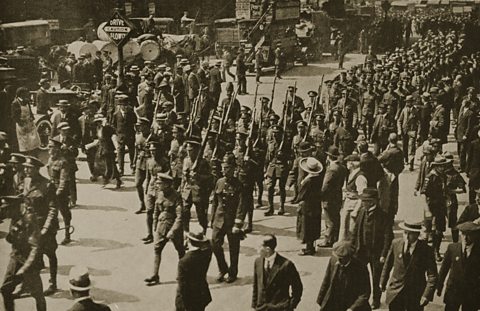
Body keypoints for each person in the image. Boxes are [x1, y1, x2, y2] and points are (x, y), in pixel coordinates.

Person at [380, 221, 438, 311]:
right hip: (396, 292)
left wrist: (426, 295)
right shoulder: (396, 244)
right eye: (405, 233)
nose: (406, 236)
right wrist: (382, 282)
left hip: (415, 294)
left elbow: (432, 275)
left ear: (417, 234)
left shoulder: (426, 250)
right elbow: (387, 265)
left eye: (410, 234)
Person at [1, 200, 46, 311]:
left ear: (15, 208)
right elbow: (11, 238)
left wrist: (25, 267)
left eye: (7, 209)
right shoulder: (15, 218)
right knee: (5, 289)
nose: (5, 213)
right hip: (16, 258)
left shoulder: (29, 219)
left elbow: (35, 247)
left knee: (37, 295)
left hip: (29, 263)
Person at [352, 188, 390, 309]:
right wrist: (352, 247)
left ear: (372, 202)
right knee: (360, 276)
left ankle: (376, 300)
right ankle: (361, 299)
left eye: (365, 201)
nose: (362, 203)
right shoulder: (362, 212)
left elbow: (388, 237)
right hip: (361, 250)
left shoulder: (383, 216)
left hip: (376, 253)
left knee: (376, 278)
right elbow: (355, 231)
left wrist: (384, 254)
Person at [144, 173, 185, 286]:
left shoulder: (176, 196)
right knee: (157, 249)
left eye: (160, 183)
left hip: (173, 228)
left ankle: (182, 274)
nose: (157, 184)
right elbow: (157, 210)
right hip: (161, 226)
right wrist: (155, 225)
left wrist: (173, 230)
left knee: (180, 250)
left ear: (167, 184)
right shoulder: (159, 194)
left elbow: (180, 216)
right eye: (157, 182)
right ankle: (154, 275)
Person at [211, 153, 245, 283]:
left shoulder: (238, 185)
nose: (224, 171)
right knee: (214, 244)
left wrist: (238, 224)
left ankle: (232, 272)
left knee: (233, 248)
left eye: (227, 168)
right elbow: (215, 201)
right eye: (223, 168)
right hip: (218, 220)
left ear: (234, 169)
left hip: (231, 221)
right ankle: (223, 268)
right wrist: (212, 218)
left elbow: (242, 206)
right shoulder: (219, 182)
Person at [436, 221, 480, 311]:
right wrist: (439, 286)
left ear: (475, 235)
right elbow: (444, 269)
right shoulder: (453, 248)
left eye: (469, 235)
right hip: (453, 292)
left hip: (471, 293)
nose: (465, 238)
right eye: (463, 234)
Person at [252, 234, 303, 311]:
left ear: (267, 249)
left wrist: (290, 306)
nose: (256, 249)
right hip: (261, 307)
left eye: (259, 247)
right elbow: (256, 284)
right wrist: (254, 304)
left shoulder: (286, 265)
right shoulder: (258, 262)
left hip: (279, 308)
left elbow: (297, 288)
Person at [316, 240, 371, 311]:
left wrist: (352, 309)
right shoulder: (333, 260)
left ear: (348, 258)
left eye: (341, 259)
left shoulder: (360, 268)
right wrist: (320, 300)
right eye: (337, 257)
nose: (338, 261)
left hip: (352, 303)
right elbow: (326, 280)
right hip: (335, 301)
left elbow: (364, 294)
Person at [175, 230, 212, 311]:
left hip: (188, 299)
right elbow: (210, 245)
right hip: (201, 293)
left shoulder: (183, 261)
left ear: (188, 241)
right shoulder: (206, 254)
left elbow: (182, 286)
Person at [319, 146, 348, 247]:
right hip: (337, 195)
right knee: (336, 217)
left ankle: (327, 239)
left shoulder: (331, 169)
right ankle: (335, 238)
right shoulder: (342, 167)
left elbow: (326, 185)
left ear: (329, 157)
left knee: (329, 219)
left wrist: (320, 195)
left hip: (329, 197)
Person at [295, 157, 324, 255]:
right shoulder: (319, 178)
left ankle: (309, 248)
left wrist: (298, 200)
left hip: (307, 205)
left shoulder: (308, 181)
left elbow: (302, 194)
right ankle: (311, 246)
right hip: (315, 204)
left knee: (307, 226)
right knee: (314, 225)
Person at [11, 87, 41, 156]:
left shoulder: (26, 101)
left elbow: (30, 111)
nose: (27, 94)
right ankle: (25, 155)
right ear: (21, 94)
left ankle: (33, 154)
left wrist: (32, 118)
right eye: (25, 93)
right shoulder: (15, 103)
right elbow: (14, 116)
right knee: (24, 141)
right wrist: (20, 123)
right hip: (21, 125)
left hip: (29, 123)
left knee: (33, 140)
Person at [112, 97, 137, 176]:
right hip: (120, 136)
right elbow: (113, 125)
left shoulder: (131, 113)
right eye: (123, 105)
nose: (125, 107)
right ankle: (121, 169)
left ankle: (133, 167)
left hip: (130, 136)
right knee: (120, 153)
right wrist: (117, 133)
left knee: (132, 152)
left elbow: (135, 123)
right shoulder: (116, 114)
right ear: (119, 106)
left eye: (126, 105)